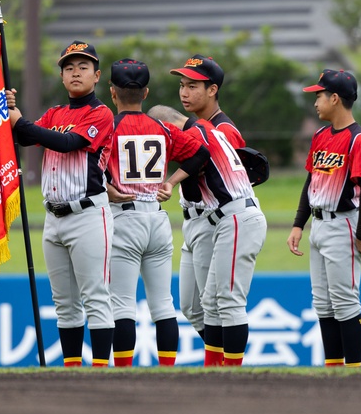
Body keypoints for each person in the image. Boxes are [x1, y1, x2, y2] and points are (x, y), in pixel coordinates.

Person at [6, 40, 115, 368]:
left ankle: (99, 374)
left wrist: (22, 123)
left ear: (96, 76)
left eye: (83, 67)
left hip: (88, 215)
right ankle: (70, 373)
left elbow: (69, 143)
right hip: (54, 217)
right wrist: (10, 112)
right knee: (65, 304)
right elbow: (25, 137)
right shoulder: (55, 113)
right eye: (69, 67)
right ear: (62, 77)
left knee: (95, 297)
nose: (75, 72)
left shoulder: (101, 112)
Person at [103, 59, 209, 367]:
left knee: (122, 305)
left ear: (112, 93)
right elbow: (201, 153)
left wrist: (109, 187)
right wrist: (172, 181)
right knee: (163, 304)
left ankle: (123, 373)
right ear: (146, 93)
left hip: (124, 216)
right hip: (157, 218)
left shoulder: (109, 128)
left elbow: (89, 166)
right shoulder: (161, 127)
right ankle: (167, 374)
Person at [150, 104, 267, 366]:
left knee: (227, 301)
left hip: (236, 217)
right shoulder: (204, 129)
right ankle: (215, 370)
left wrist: (171, 181)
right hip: (223, 217)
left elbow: (198, 159)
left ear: (167, 127)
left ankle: (231, 373)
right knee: (207, 305)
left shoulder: (197, 132)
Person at [286, 69, 361, 368]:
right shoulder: (321, 135)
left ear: (335, 98)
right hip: (318, 224)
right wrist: (299, 224)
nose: (316, 102)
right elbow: (310, 182)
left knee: (345, 303)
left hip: (343, 225)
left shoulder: (358, 138)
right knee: (324, 305)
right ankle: (334, 372)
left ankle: (353, 374)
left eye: (319, 95)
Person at [171, 54, 245, 360]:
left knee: (216, 303)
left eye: (193, 86)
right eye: (182, 85)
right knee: (191, 306)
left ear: (213, 90)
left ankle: (223, 367)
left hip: (216, 221)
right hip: (193, 220)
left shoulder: (223, 130)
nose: (185, 93)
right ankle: (223, 358)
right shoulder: (196, 125)